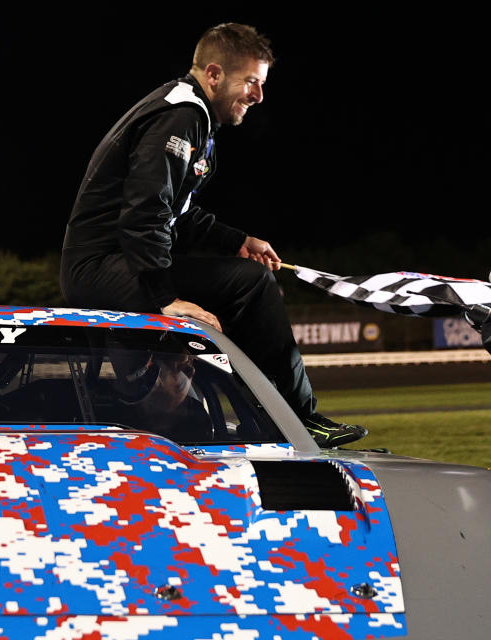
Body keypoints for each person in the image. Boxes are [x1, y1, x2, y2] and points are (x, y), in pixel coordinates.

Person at [59, 23, 366, 448]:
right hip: (101, 267)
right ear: (215, 74)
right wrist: (165, 298)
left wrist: (238, 241)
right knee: (253, 285)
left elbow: (176, 215)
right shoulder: (181, 114)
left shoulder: (190, 114)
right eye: (252, 82)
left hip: (115, 262)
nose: (259, 95)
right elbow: (145, 214)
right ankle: (297, 420)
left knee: (247, 277)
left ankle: (260, 417)